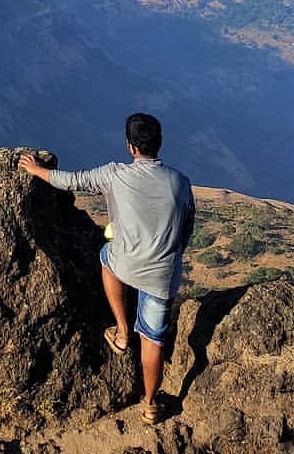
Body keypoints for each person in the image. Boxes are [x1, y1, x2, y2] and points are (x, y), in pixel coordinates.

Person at [18, 113, 195, 424]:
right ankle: (151, 404)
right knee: (154, 339)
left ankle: (123, 332)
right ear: (159, 144)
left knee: (105, 257)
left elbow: (71, 180)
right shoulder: (180, 183)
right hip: (161, 275)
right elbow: (187, 226)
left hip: (125, 263)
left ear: (130, 147)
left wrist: (36, 170)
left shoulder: (114, 175)